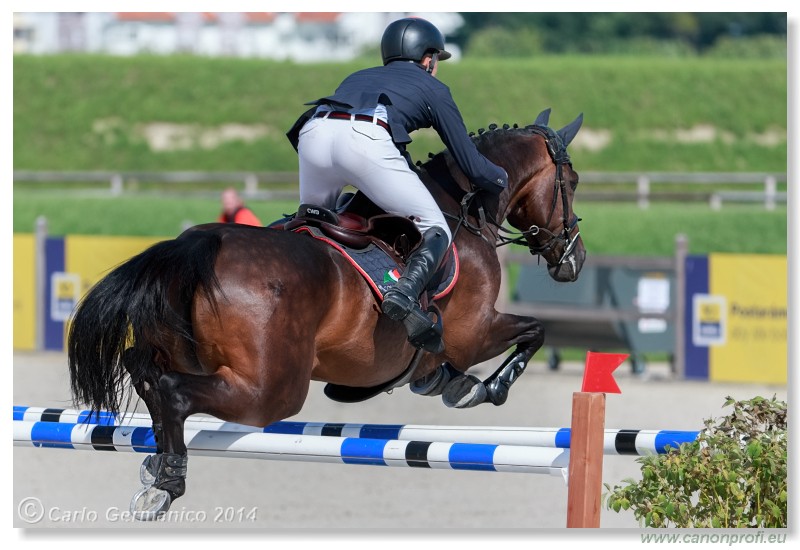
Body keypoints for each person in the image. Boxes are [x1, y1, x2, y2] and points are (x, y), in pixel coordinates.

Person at [286, 17, 508, 353]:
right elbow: (471, 164)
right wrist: (502, 178)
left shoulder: (358, 76)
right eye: (435, 60)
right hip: (364, 139)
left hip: (314, 131)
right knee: (437, 228)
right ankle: (404, 295)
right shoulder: (433, 87)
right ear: (427, 59)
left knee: (312, 223)